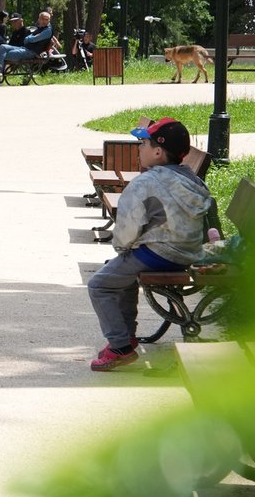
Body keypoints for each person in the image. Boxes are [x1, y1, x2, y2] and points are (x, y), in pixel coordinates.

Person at [87, 117, 214, 371]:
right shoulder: (194, 180)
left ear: (157, 152)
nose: (139, 148)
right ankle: (126, 336)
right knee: (121, 275)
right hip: (189, 252)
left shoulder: (144, 183)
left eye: (143, 143)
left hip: (158, 254)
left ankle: (120, 347)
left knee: (99, 285)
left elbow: (127, 228)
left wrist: (122, 249)